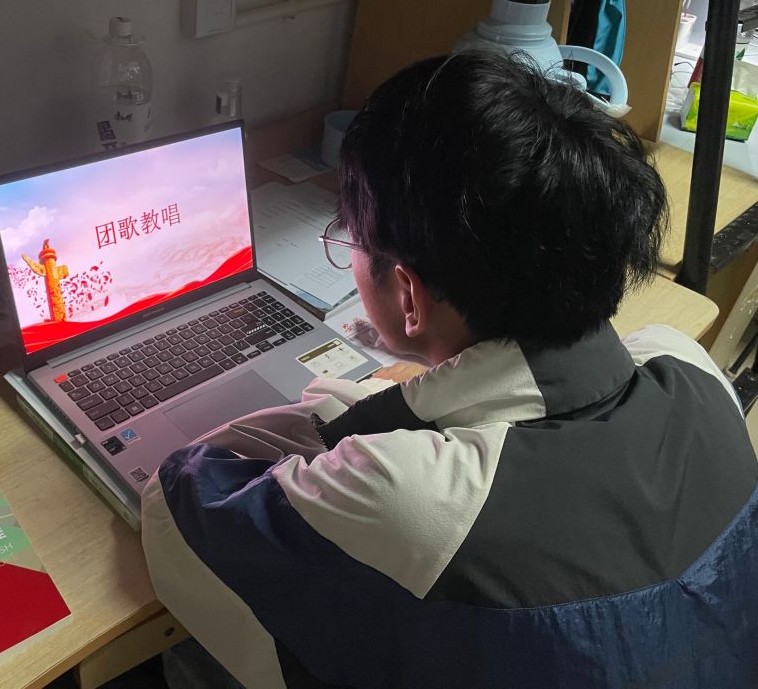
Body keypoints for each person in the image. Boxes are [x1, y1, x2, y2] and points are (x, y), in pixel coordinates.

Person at [140, 50, 758, 688]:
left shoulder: (417, 497)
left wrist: (337, 416)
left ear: (409, 295)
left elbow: (175, 509)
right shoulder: (689, 368)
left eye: (350, 238)